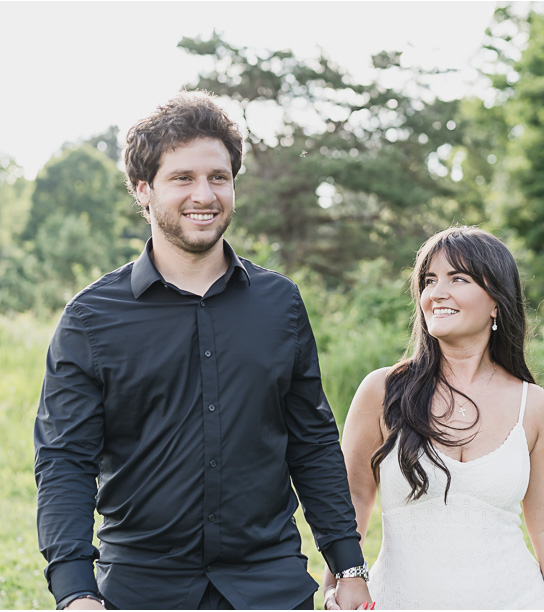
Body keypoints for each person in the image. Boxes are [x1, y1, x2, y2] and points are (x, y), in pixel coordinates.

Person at [34, 91, 371, 610]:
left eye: (219, 177)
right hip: (141, 588)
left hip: (271, 586)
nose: (205, 194)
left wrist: (348, 566)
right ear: (144, 190)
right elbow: (64, 460)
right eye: (182, 178)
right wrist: (76, 591)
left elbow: (312, 441)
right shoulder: (90, 318)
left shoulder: (280, 303)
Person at [323, 226, 544, 609]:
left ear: (496, 301)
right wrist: (339, 585)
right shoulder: (383, 391)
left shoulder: (534, 405)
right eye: (429, 280)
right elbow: (350, 499)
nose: (436, 293)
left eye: (457, 278)